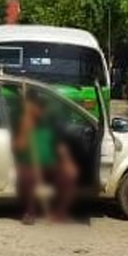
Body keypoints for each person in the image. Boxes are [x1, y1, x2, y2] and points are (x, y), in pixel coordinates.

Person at [12, 88, 79, 224]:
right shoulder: (21, 122)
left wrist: (67, 163)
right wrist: (25, 128)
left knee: (68, 176)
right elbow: (17, 146)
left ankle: (60, 212)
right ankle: (30, 212)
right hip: (28, 164)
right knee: (27, 176)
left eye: (38, 108)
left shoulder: (49, 123)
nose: (37, 111)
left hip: (50, 164)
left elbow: (60, 146)